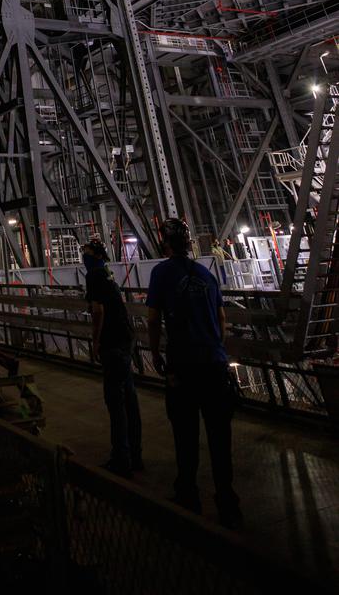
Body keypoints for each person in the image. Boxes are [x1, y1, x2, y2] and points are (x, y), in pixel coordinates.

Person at [147, 217, 242, 527]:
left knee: (185, 434)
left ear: (165, 243)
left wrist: (156, 353)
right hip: (214, 364)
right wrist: (216, 347)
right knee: (220, 437)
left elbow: (152, 319)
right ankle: (227, 499)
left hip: (184, 365)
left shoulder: (161, 273)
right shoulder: (206, 275)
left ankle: (188, 493)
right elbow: (223, 318)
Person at [82, 238, 143, 477]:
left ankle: (121, 459)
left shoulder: (94, 275)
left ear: (94, 255)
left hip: (112, 342)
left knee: (115, 402)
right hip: (125, 338)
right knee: (129, 400)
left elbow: (98, 311)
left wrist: (96, 341)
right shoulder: (107, 273)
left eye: (86, 252)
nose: (83, 257)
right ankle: (135, 455)